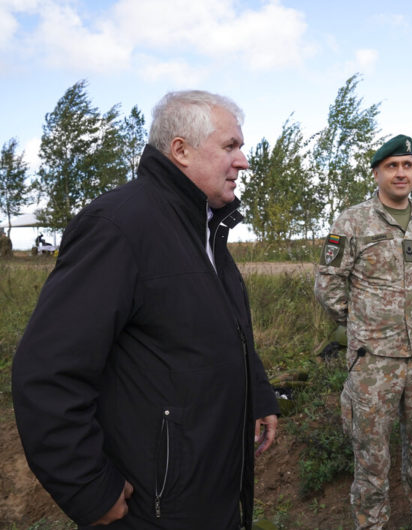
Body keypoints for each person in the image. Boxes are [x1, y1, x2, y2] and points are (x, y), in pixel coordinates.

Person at [12, 90, 279, 529]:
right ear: (181, 150)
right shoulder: (119, 226)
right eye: (230, 146)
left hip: (212, 491)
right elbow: (47, 372)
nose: (243, 161)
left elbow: (221, 330)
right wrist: (88, 490)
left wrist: (259, 393)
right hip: (154, 507)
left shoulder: (207, 229)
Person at [314, 134, 412, 529]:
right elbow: (328, 284)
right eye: (392, 166)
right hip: (374, 364)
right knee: (371, 463)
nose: (401, 173)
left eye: (407, 165)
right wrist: (362, 326)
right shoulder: (351, 222)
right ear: (376, 173)